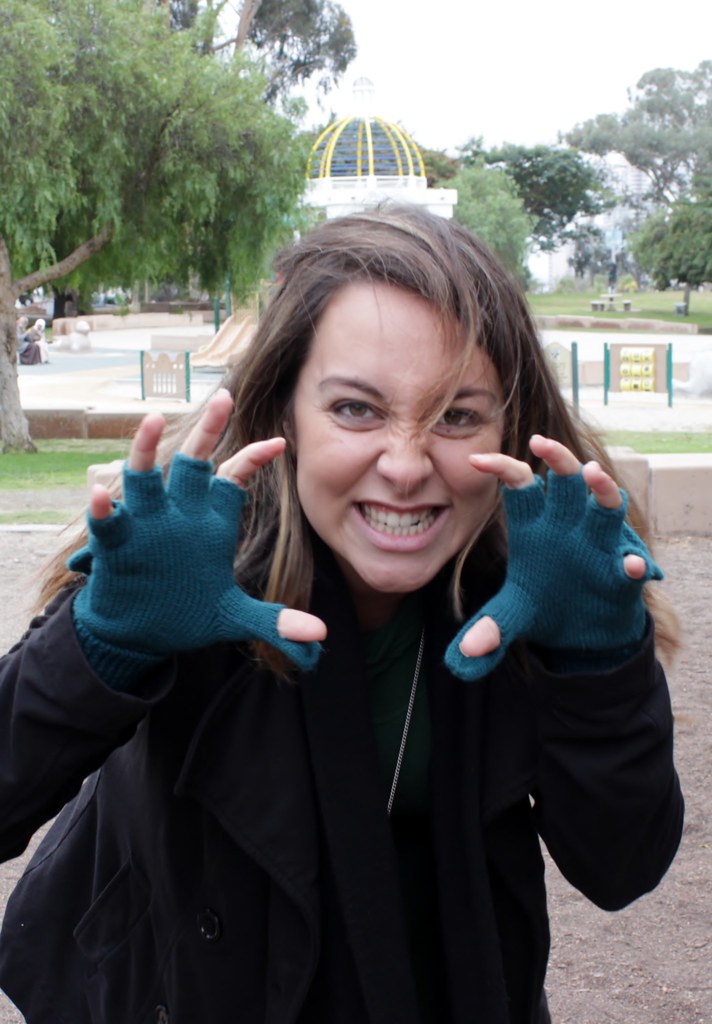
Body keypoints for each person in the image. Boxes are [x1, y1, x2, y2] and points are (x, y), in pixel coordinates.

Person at [0, 205, 683, 1024]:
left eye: (457, 417)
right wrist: (102, 641)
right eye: (356, 409)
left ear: (513, 424)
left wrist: (598, 660)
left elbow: (622, 868)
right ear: (283, 408)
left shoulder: (541, 588)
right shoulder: (178, 567)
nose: (404, 465)